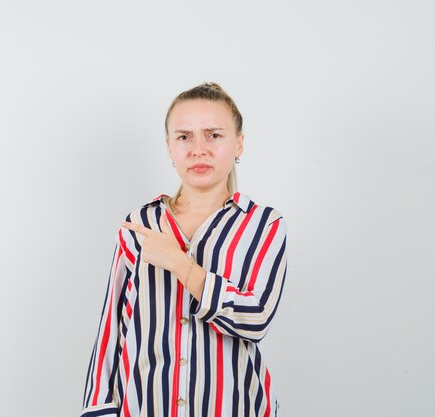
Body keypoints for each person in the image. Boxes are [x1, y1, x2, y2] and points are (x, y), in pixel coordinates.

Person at [79, 82, 288, 417]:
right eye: (184, 136)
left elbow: (256, 318)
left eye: (214, 135)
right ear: (169, 147)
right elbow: (112, 327)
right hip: (147, 407)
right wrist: (99, 409)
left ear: (239, 144)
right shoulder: (140, 223)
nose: (198, 149)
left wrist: (181, 265)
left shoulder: (264, 224)